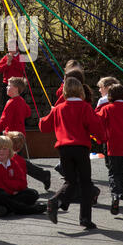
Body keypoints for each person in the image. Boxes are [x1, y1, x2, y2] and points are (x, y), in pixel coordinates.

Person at [39, 77, 106, 230]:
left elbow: (44, 127)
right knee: (86, 183)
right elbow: (95, 126)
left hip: (63, 149)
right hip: (81, 148)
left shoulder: (59, 108)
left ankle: (57, 200)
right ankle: (85, 218)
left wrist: (43, 118)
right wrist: (102, 139)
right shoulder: (85, 107)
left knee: (70, 181)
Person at [96, 83, 123, 216]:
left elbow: (97, 124)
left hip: (114, 149)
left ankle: (115, 197)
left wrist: (101, 140)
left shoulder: (106, 109)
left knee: (115, 174)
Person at [0, 41, 26, 108]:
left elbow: (22, 68)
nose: (10, 48)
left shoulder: (21, 57)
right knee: (6, 104)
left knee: (18, 105)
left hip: (18, 85)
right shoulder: (5, 57)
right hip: (7, 84)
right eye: (9, 46)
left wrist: (13, 60)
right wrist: (7, 65)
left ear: (17, 47)